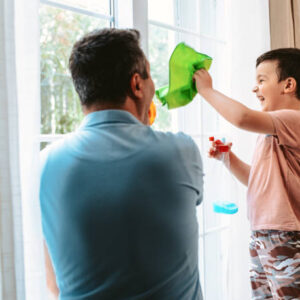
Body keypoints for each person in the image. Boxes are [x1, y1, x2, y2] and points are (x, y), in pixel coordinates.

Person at [40, 28, 204, 300]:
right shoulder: (182, 150)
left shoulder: (46, 162)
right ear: (137, 84)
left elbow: (54, 284)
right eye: (150, 77)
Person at [193, 48, 300, 299]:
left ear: (288, 85)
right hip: (264, 232)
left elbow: (241, 118)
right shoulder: (273, 131)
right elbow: (257, 181)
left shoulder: (293, 119)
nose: (255, 89)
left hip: (286, 234)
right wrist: (227, 158)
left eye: (261, 80)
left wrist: (207, 90)